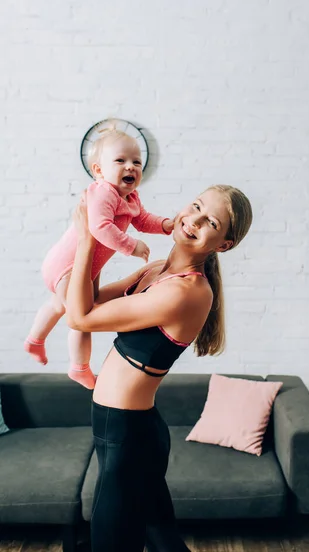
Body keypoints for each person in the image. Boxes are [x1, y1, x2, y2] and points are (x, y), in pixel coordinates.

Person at [66, 184, 253, 552]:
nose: (194, 220)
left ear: (223, 244)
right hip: (130, 428)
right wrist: (102, 238)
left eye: (210, 221)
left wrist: (87, 242)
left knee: (110, 541)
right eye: (196, 206)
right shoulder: (155, 271)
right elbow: (88, 298)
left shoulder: (185, 292)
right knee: (159, 535)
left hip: (127, 432)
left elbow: (80, 316)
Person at [24, 126, 174, 389]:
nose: (130, 167)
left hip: (86, 267)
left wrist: (165, 225)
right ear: (99, 171)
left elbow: (143, 219)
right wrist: (131, 246)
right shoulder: (103, 192)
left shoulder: (130, 197)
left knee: (59, 305)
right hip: (68, 264)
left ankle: (35, 341)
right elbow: (100, 227)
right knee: (82, 316)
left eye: (136, 162)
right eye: (120, 160)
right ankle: (79, 368)